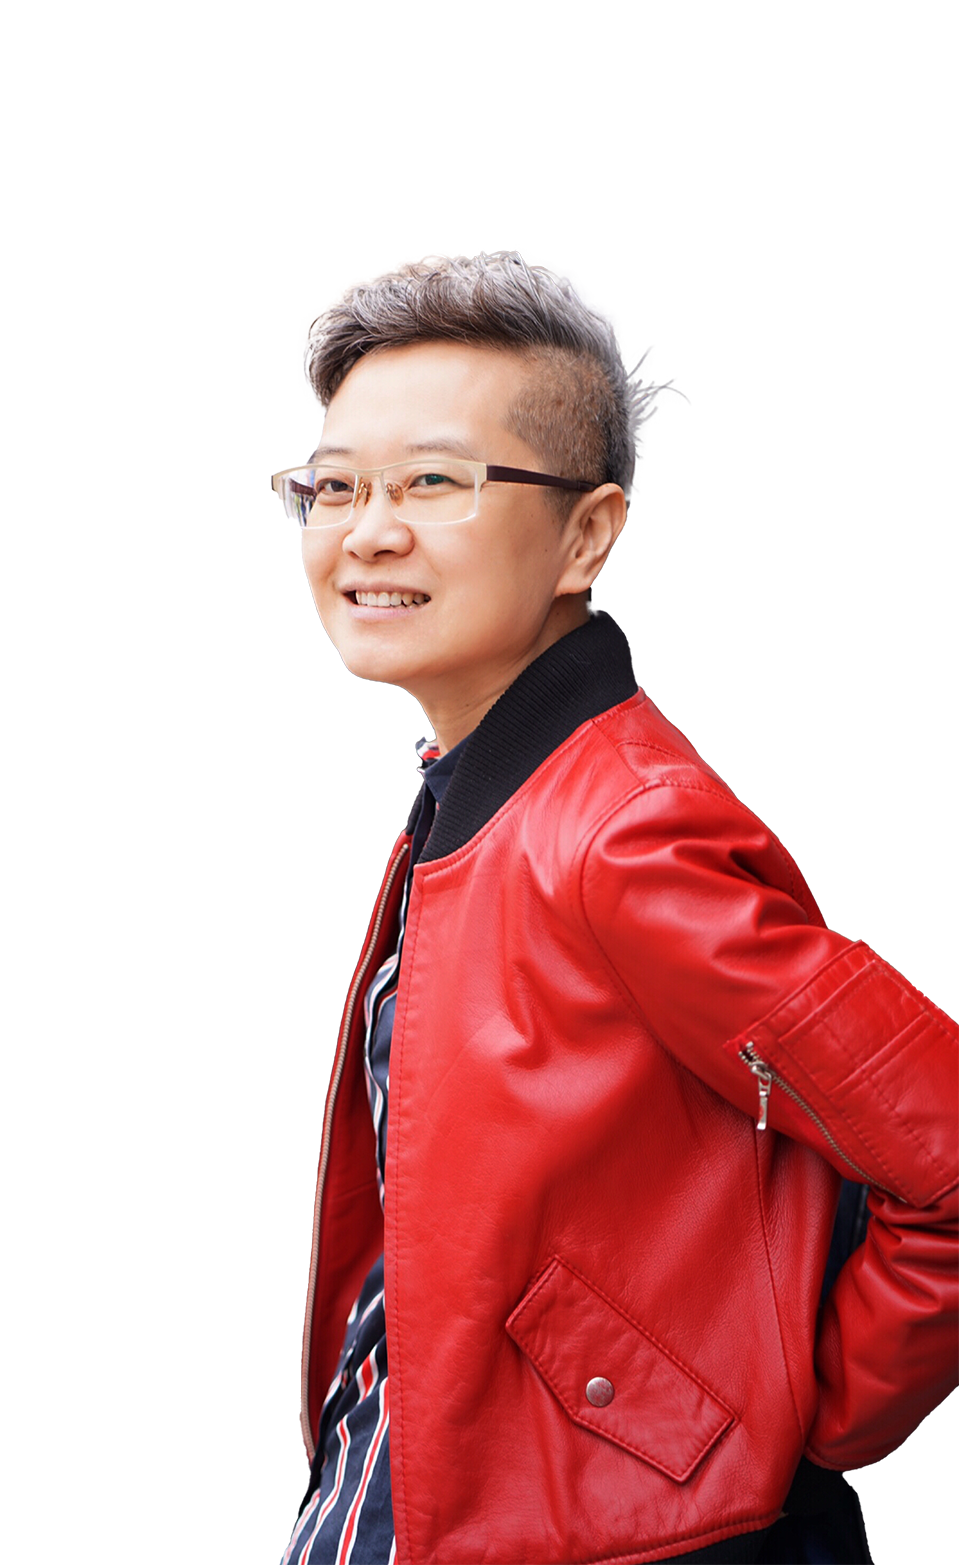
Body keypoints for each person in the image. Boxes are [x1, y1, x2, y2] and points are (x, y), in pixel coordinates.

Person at [274, 251, 959, 1565]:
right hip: (415, 1492)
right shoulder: (483, 789)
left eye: (434, 482)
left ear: (586, 535)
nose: (366, 530)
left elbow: (941, 1148)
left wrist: (801, 1421)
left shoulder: (626, 833)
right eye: (336, 485)